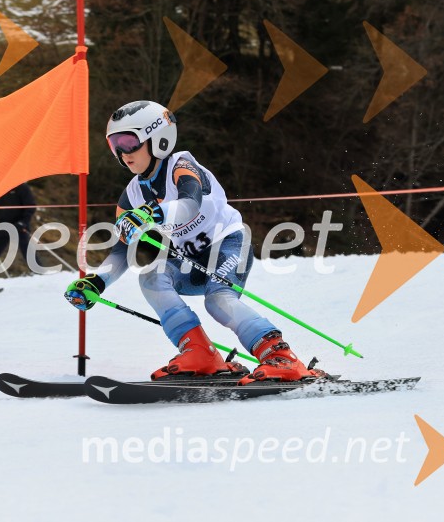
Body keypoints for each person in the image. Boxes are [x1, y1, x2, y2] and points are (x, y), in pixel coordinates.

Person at [64, 101, 325, 384]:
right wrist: (97, 282)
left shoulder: (182, 166)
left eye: (129, 142)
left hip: (228, 245)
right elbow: (123, 248)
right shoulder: (131, 196)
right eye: (114, 145)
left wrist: (152, 213)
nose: (122, 153)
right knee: (151, 278)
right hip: (191, 259)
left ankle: (280, 356)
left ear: (159, 139)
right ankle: (200, 353)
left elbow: (190, 203)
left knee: (218, 300)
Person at [0, 182, 36, 280]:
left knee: (26, 249)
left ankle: (37, 272)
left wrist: (23, 222)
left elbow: (30, 207)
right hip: (3, 225)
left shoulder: (22, 188)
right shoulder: (0, 189)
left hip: (19, 225)